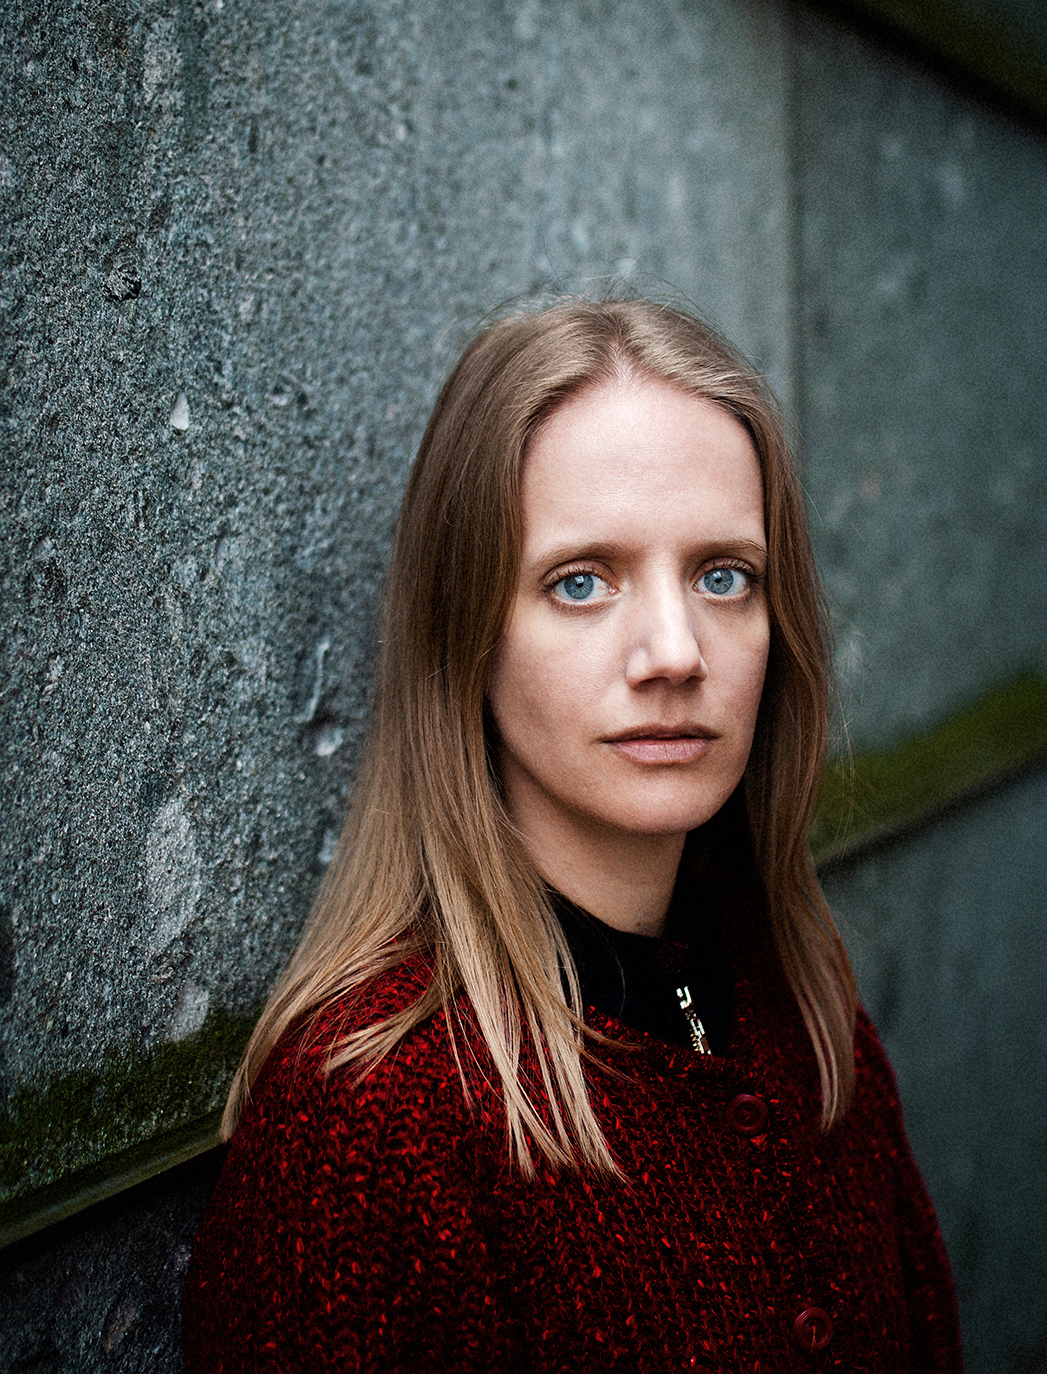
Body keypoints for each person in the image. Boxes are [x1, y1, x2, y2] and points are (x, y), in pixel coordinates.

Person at [184, 296, 962, 1372]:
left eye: (723, 575)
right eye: (581, 581)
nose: (675, 652)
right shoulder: (372, 1126)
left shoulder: (803, 1016)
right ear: (466, 634)